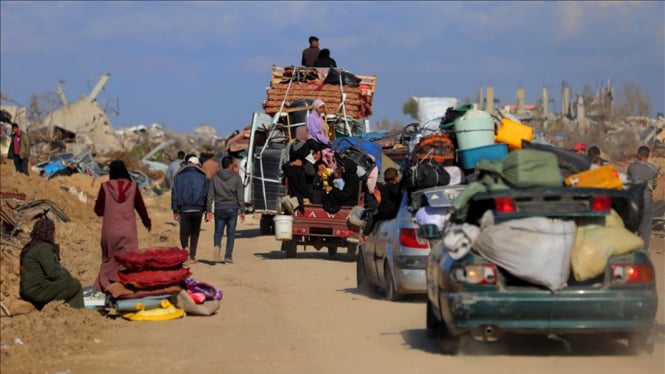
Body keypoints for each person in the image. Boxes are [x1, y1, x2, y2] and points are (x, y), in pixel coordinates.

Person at [94, 160, 151, 292]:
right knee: (128, 261)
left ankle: (106, 286)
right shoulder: (133, 187)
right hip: (129, 232)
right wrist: (147, 222)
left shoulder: (105, 187)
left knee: (109, 260)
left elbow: (98, 211)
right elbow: (140, 207)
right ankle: (125, 287)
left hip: (110, 231)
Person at [20, 216, 84, 309]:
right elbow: (54, 274)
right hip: (36, 292)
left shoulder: (31, 246)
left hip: (27, 290)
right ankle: (76, 311)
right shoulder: (43, 248)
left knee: (67, 280)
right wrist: (66, 275)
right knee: (75, 284)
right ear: (50, 233)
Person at [206, 156, 245, 264]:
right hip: (232, 208)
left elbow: (210, 194)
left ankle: (217, 246)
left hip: (219, 208)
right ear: (231, 165)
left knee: (218, 231)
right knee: (231, 233)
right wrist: (242, 210)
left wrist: (209, 210)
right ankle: (228, 256)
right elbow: (240, 195)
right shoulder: (236, 177)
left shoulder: (215, 176)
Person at [172, 156, 209, 264]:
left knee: (184, 232)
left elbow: (175, 194)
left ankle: (185, 250)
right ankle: (192, 256)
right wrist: (207, 210)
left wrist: (175, 210)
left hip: (184, 209)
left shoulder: (179, 176)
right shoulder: (203, 177)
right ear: (197, 165)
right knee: (195, 233)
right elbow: (206, 194)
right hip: (198, 209)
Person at [627, 145, 660, 252]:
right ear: (648, 155)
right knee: (646, 229)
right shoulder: (653, 169)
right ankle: (643, 252)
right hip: (647, 202)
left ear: (638, 155)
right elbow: (654, 185)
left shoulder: (631, 167)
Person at [361, 168, 402, 239]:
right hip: (395, 214)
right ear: (396, 177)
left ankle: (365, 234)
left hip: (383, 213)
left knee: (374, 217)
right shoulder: (398, 188)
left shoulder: (383, 188)